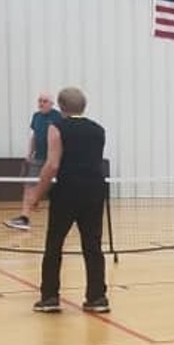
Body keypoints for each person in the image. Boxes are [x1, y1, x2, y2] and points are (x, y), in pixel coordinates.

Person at [27, 87, 109, 313]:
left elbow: (52, 164)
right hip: (94, 191)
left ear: (61, 107)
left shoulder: (57, 127)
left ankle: (50, 297)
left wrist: (37, 193)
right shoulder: (98, 130)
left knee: (54, 244)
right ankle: (97, 298)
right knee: (93, 245)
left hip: (67, 191)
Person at [4, 92, 63, 231]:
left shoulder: (58, 117)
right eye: (39, 101)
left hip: (54, 160)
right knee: (29, 186)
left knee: (57, 189)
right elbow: (34, 136)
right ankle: (24, 218)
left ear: (51, 104)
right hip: (38, 159)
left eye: (45, 101)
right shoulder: (36, 117)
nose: (41, 103)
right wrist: (29, 153)